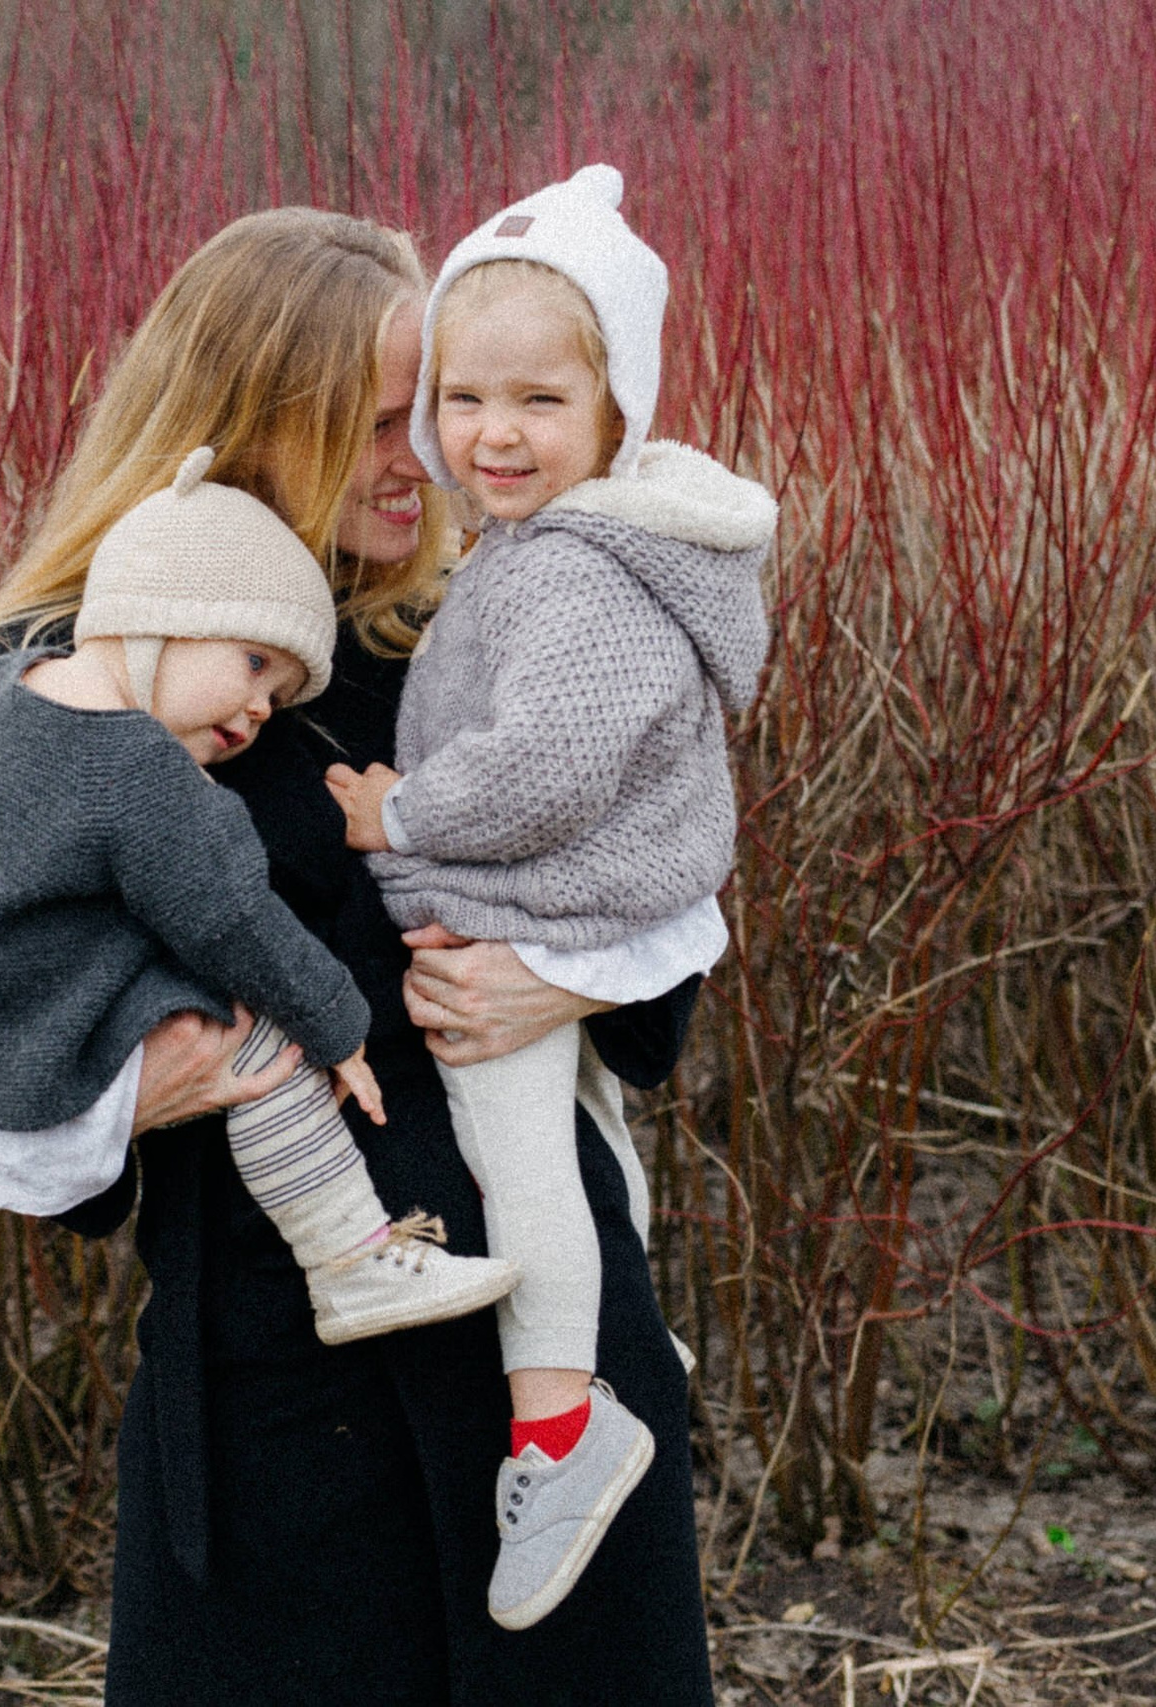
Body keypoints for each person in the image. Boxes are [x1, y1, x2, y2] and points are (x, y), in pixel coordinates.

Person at [0, 205, 718, 1702]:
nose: (428, 452)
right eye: (374, 417)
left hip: (556, 1378)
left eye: (436, 404)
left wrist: (567, 979)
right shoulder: (79, 691)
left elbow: (668, 931)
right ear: (247, 423)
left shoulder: (489, 636)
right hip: (278, 1404)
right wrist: (140, 1084)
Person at [323, 164, 773, 1630]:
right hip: (547, 914)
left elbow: (543, 768)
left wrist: (405, 811)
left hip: (531, 918)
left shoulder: (576, 572)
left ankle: (566, 1420)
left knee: (529, 1157)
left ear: (617, 411)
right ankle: (619, 1350)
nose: (485, 436)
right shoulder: (533, 555)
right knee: (584, 1148)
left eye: (537, 403)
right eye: (459, 402)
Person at [0, 444, 519, 1346]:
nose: (255, 714)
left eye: (276, 698)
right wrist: (338, 1025)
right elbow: (234, 917)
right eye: (252, 663)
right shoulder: (144, 770)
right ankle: (351, 1259)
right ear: (160, 615)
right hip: (29, 1032)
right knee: (258, 1042)